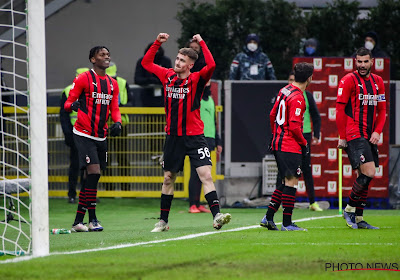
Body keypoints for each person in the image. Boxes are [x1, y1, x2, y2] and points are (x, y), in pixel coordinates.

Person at [141, 32, 231, 232]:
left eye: (183, 60)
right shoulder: (167, 76)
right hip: (173, 137)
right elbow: (146, 63)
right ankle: (163, 221)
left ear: (190, 65)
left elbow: (213, 65)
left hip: (195, 137)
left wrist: (202, 42)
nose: (178, 62)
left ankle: (217, 216)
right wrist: (157, 43)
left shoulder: (198, 79)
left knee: (205, 175)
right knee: (168, 178)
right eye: (178, 58)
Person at [64, 46, 122, 232]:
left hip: (101, 135)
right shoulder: (83, 79)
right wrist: (73, 105)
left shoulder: (113, 84)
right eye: (102, 55)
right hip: (83, 133)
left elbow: (115, 108)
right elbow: (67, 103)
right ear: (92, 59)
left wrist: (118, 122)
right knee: (94, 172)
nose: (106, 57)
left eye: (107, 54)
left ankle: (78, 221)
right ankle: (93, 219)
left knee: (92, 176)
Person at [260, 62, 314, 231]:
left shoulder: (285, 90)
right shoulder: (298, 97)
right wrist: (304, 143)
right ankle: (287, 223)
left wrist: (275, 133)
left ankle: (268, 217)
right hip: (289, 145)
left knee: (285, 181)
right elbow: (295, 127)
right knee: (291, 182)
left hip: (278, 142)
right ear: (309, 78)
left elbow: (272, 114)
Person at [336, 47, 386, 230]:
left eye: (365, 61)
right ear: (355, 62)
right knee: (369, 172)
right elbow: (339, 110)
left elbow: (382, 110)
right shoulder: (348, 80)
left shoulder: (378, 82)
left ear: (372, 61)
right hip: (354, 133)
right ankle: (349, 209)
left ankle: (358, 218)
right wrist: (342, 136)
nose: (362, 65)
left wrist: (377, 131)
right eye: (359, 62)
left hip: (369, 134)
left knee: (363, 176)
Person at [60, 67, 89, 204]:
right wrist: (68, 135)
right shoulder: (68, 91)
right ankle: (72, 194)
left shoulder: (92, 91)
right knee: (76, 165)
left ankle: (87, 194)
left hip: (89, 133)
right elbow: (64, 116)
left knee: (89, 166)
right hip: (75, 133)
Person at [105, 62, 131, 182]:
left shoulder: (122, 83)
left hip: (120, 123)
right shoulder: (99, 83)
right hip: (104, 124)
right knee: (106, 156)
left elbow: (131, 101)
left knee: (122, 156)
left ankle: (125, 189)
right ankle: (109, 189)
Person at [134, 42, 172, 107]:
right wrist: (150, 80)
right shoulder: (142, 61)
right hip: (147, 94)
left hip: (163, 95)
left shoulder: (166, 61)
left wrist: (159, 80)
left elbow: (170, 78)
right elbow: (137, 79)